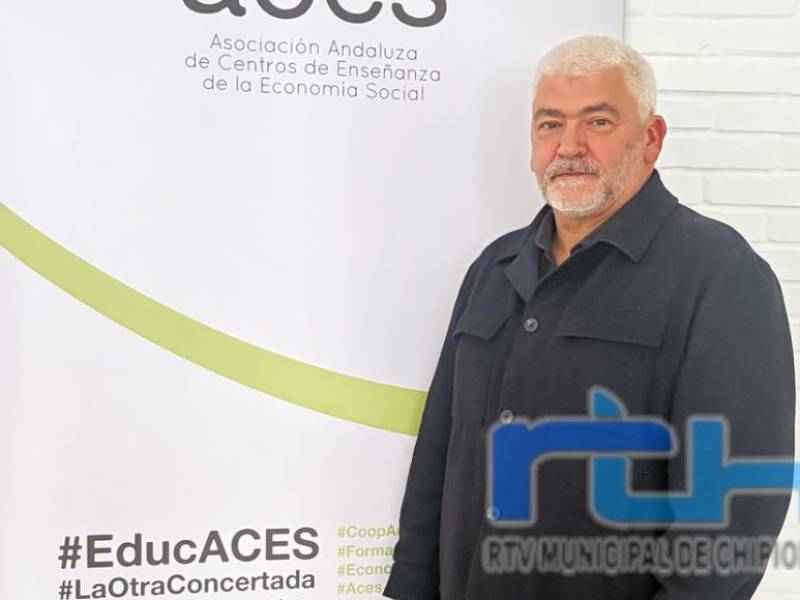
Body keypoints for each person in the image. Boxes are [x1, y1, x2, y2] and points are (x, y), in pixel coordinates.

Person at [383, 35, 796, 600]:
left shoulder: (719, 273)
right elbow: (439, 451)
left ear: (650, 138)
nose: (569, 146)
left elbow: (733, 511)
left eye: (598, 122)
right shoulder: (494, 267)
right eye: (550, 124)